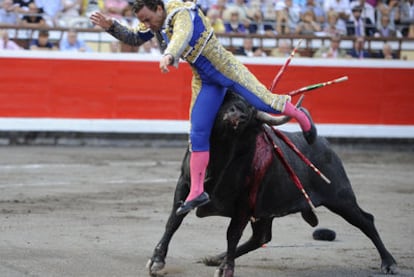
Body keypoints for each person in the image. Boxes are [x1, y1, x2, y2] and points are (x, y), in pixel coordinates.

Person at [90, 0, 317, 216]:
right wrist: (111, 26)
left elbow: (182, 35)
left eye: (148, 19)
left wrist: (169, 54)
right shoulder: (156, 18)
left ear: (159, 9)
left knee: (267, 103)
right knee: (198, 132)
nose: (148, 25)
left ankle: (302, 117)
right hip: (205, 80)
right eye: (144, 21)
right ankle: (197, 191)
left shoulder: (181, 13)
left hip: (227, 70)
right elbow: (135, 37)